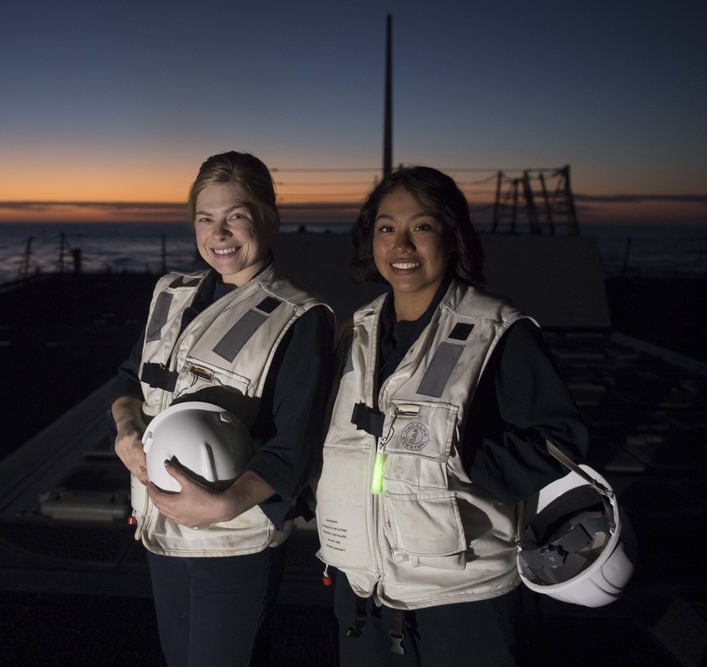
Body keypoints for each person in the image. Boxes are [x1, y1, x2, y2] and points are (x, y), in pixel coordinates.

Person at [315, 166, 589, 666]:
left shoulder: (496, 331)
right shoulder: (356, 332)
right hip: (361, 593)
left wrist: (466, 456)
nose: (401, 245)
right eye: (386, 228)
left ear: (451, 235)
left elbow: (561, 441)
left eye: (421, 227)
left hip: (462, 600)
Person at [110, 151, 335, 667]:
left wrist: (226, 504)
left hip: (233, 543)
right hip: (159, 531)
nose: (220, 233)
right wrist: (125, 427)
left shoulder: (300, 315)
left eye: (236, 216)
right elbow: (129, 380)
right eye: (206, 219)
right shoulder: (170, 293)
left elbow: (295, 446)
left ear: (266, 219)